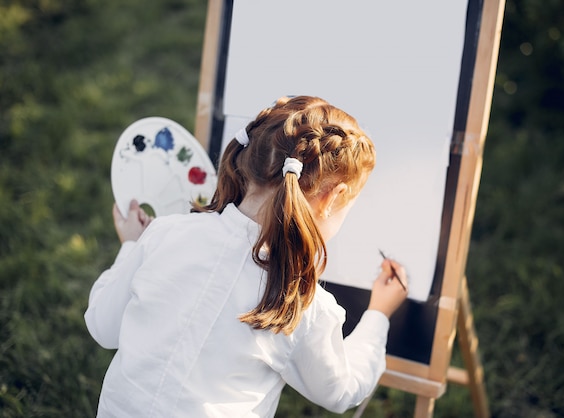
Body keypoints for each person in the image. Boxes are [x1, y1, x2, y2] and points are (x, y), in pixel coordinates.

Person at [85, 95, 408, 417]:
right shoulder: (301, 303)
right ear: (333, 198)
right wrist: (378, 314)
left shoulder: (164, 234)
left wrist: (132, 246)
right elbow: (340, 391)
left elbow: (103, 327)